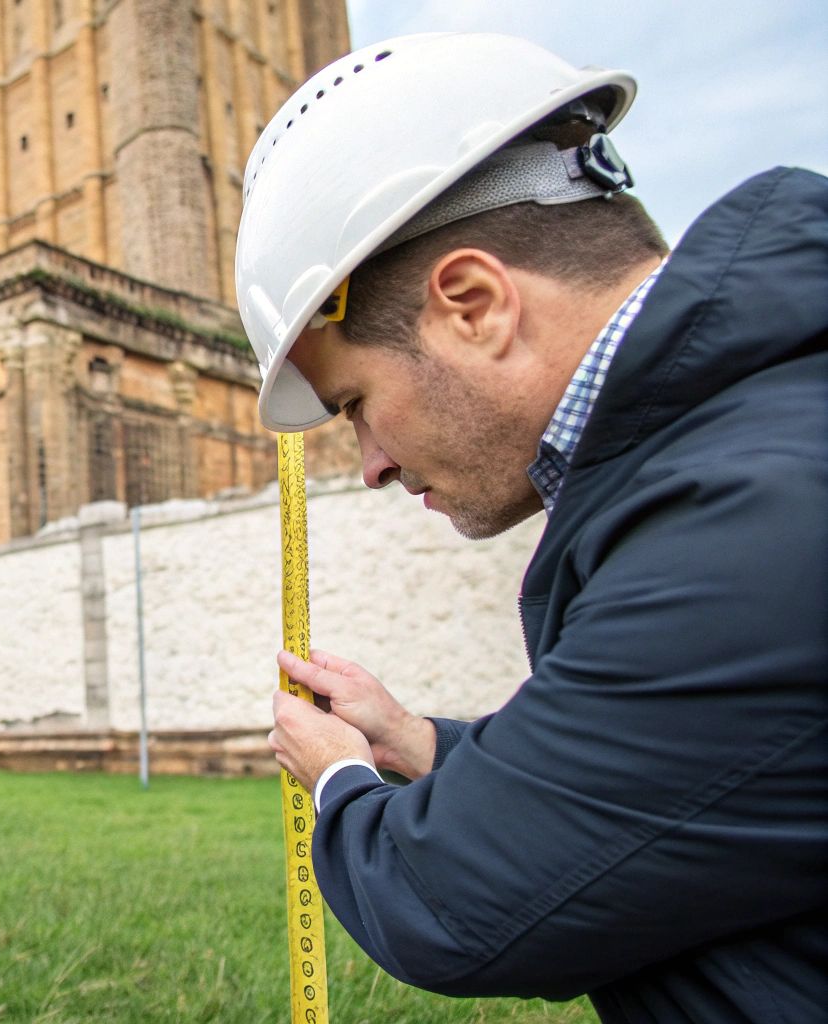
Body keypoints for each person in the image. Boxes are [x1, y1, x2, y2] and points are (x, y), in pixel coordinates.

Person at [234, 32, 828, 1023]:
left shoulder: (749, 514)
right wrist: (413, 741)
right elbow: (675, 789)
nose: (371, 463)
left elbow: (453, 901)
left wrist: (333, 778)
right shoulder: (734, 446)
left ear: (471, 305)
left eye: (353, 403)